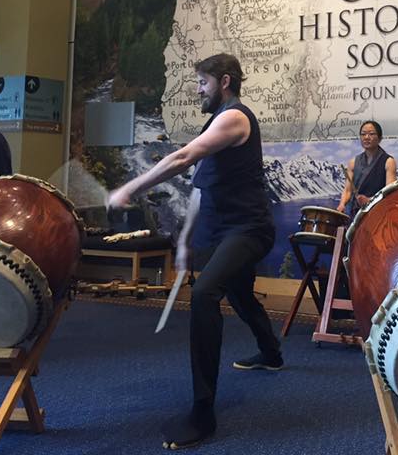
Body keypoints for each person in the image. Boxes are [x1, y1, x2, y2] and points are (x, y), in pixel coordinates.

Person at [107, 53, 282, 449]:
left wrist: (131, 188)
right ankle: (271, 353)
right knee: (238, 292)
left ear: (223, 81)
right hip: (223, 231)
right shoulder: (216, 123)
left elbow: (183, 157)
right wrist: (185, 243)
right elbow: (202, 191)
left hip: (250, 229)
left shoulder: (235, 118)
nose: (197, 89)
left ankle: (202, 412)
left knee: (205, 294)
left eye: (202, 82)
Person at [336, 120, 397, 215]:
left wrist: (370, 200)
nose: (366, 137)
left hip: (377, 214)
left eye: (371, 134)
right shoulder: (353, 162)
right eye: (363, 134)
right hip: (355, 214)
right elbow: (348, 190)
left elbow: (390, 193)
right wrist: (342, 204)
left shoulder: (388, 162)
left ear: (380, 138)